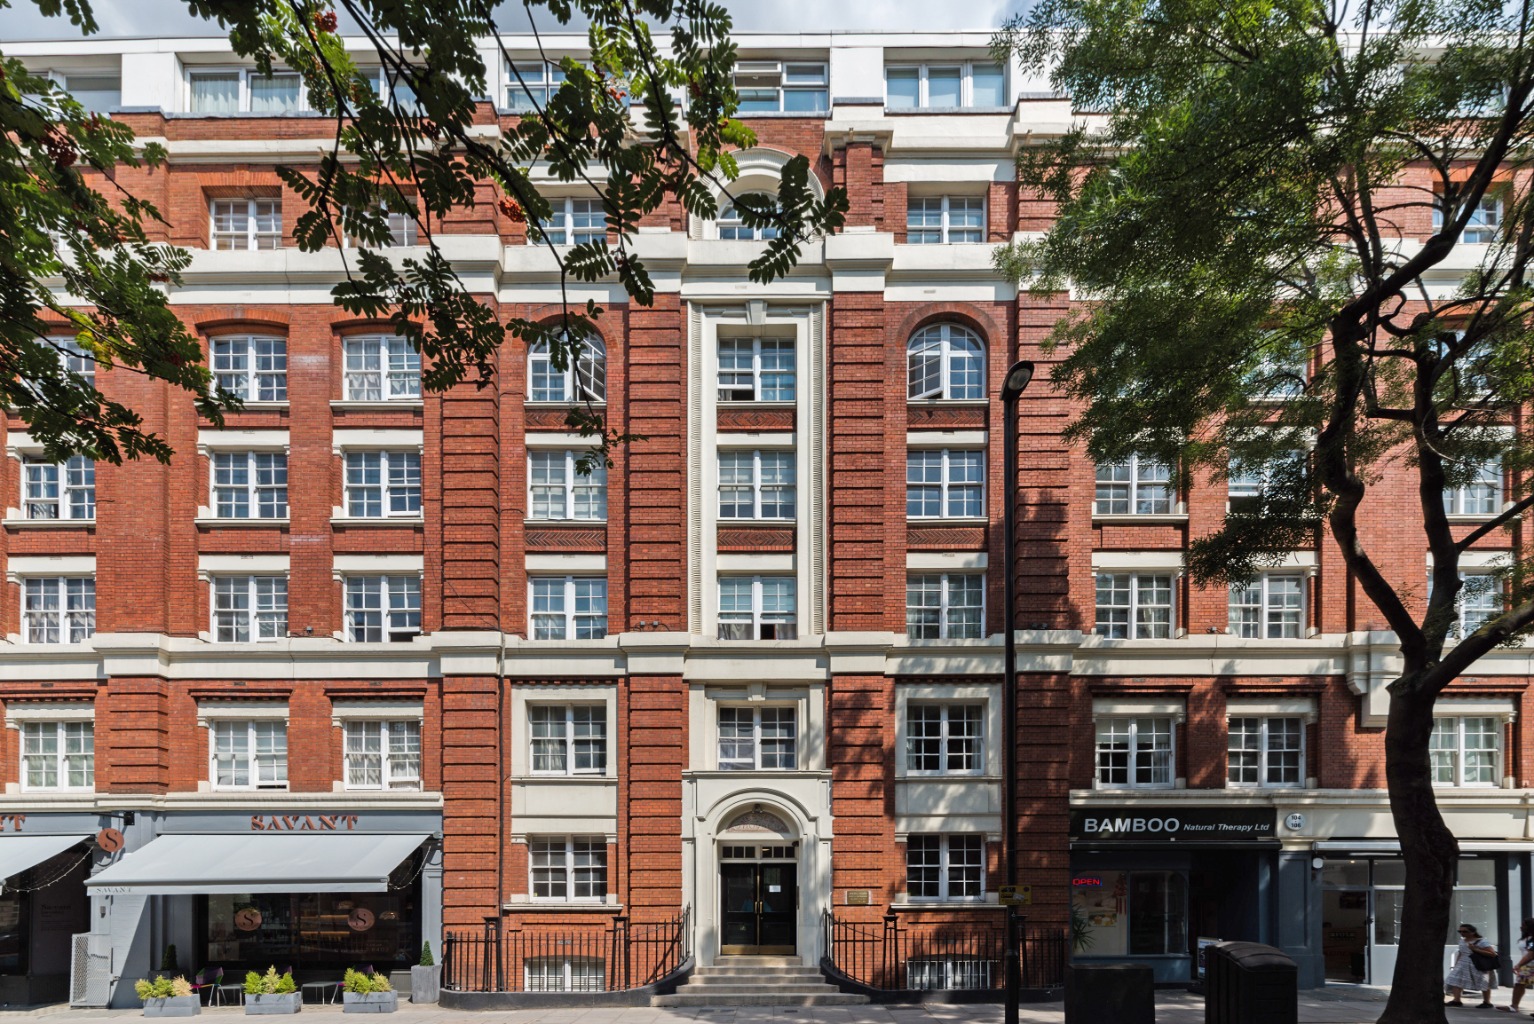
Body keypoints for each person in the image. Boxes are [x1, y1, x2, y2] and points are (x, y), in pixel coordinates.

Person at [1447, 923, 1499, 1008]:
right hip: (1462, 963)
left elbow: (1492, 954)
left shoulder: (1482, 941)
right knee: (1455, 980)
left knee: (1483, 982)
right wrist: (1456, 964)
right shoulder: (1462, 941)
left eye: (1465, 931)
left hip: (1478, 964)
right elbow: (1461, 953)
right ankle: (1456, 1000)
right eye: (1460, 931)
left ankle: (1487, 1002)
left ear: (1473, 932)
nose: (1462, 933)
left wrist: (1475, 949)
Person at [1496, 918, 1534, 1013]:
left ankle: (1514, 1006)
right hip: (1527, 965)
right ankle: (1514, 1006)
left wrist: (1518, 965)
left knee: (1519, 984)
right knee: (1519, 984)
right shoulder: (1527, 938)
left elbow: (1531, 954)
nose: (1521, 927)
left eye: (1524, 925)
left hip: (1529, 964)